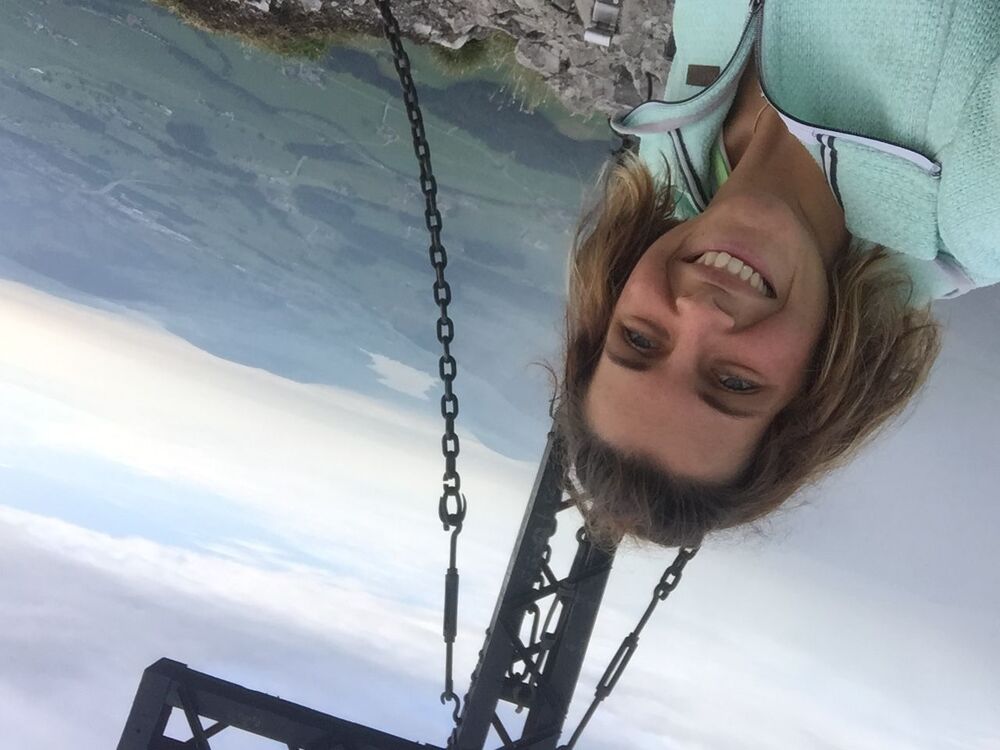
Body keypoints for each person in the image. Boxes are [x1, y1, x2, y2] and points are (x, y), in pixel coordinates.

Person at [556, 0, 1000, 547]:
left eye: (640, 339)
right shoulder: (976, 214)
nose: (699, 311)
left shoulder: (670, 159)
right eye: (734, 383)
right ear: (821, 387)